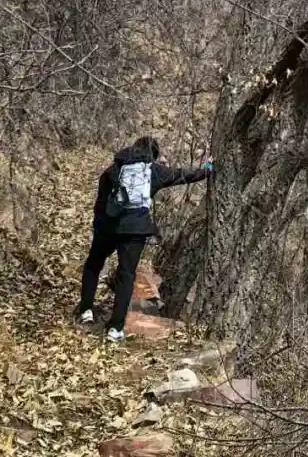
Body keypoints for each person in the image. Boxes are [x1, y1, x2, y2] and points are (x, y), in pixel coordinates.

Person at [76, 135, 213, 341]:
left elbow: (101, 201)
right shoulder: (154, 171)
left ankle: (86, 310)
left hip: (109, 225)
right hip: (136, 229)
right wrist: (208, 169)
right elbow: (183, 175)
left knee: (94, 264)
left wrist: (99, 226)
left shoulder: (114, 169)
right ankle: (116, 329)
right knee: (126, 275)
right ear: (153, 155)